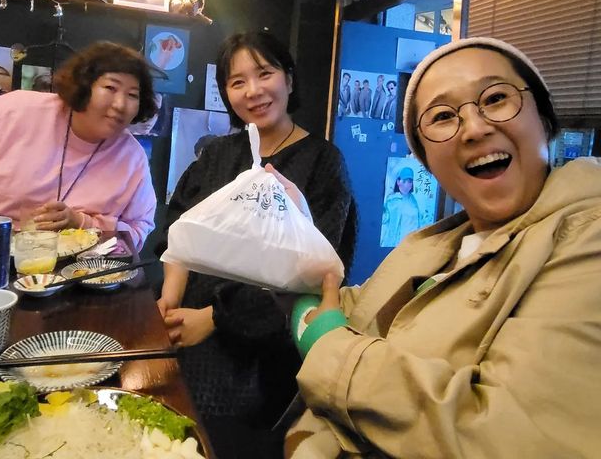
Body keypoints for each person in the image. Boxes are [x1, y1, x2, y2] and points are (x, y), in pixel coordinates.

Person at [286, 36, 601, 458]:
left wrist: (330, 349)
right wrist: (290, 245)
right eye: (442, 116)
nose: (474, 128)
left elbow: (519, 435)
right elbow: (360, 307)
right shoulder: (440, 243)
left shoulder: (586, 237)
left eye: (495, 98)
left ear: (544, 120)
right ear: (427, 161)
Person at [158, 31, 356, 459]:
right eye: (237, 81)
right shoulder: (216, 155)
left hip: (260, 355)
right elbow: (180, 227)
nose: (253, 91)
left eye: (265, 74)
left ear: (289, 79)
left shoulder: (323, 162)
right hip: (183, 334)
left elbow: (313, 271)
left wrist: (214, 318)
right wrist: (170, 297)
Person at [0, 41, 158, 248]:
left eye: (132, 95)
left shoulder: (132, 159)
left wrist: (81, 223)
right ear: (84, 85)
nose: (120, 104)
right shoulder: (16, 112)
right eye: (110, 88)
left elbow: (137, 232)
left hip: (77, 266)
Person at [380, 166, 420, 248]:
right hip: (396, 244)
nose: (407, 185)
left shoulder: (413, 200)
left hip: (412, 243)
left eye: (410, 182)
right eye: (404, 181)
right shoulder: (392, 200)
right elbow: (384, 219)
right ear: (398, 182)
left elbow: (417, 221)